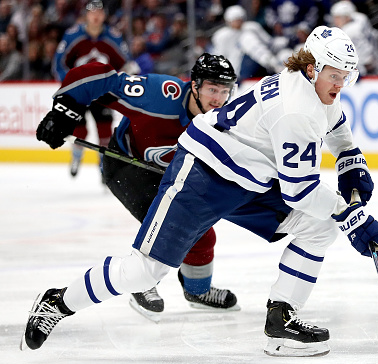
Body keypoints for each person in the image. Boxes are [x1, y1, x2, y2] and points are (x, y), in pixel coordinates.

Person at [22, 25, 378, 357]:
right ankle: (57, 302)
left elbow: (336, 124)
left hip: (249, 177)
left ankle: (282, 321)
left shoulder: (310, 83)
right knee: (145, 272)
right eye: (335, 75)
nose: (341, 84)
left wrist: (350, 161)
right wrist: (352, 217)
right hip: (203, 174)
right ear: (313, 68)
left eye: (347, 76)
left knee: (318, 227)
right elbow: (301, 192)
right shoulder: (297, 111)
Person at [34, 53, 240, 322]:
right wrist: (63, 112)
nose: (218, 99)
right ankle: (139, 280)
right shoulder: (159, 96)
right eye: (212, 89)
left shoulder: (223, 120)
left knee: (202, 232)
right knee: (165, 223)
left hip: (172, 176)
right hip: (127, 165)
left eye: (225, 91)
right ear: (195, 85)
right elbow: (99, 76)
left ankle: (197, 291)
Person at [53, 0, 134, 178]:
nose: (96, 16)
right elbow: (58, 64)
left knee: (105, 132)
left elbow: (126, 64)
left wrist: (122, 81)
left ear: (104, 15)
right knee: (79, 132)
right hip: (79, 96)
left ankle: (103, 165)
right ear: (86, 15)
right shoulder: (73, 35)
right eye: (92, 12)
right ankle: (76, 156)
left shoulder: (113, 36)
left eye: (99, 12)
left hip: (103, 94)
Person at [212, 5, 288, 82]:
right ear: (229, 21)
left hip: (259, 64)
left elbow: (268, 43)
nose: (238, 22)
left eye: (240, 19)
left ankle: (275, 66)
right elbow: (220, 56)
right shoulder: (222, 36)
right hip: (238, 70)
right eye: (235, 20)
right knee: (247, 39)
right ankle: (274, 66)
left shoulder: (252, 28)